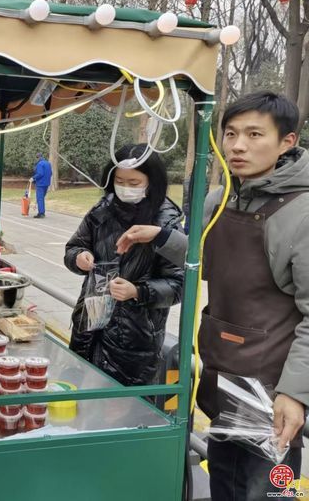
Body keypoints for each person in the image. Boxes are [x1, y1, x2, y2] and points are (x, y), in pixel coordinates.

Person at [114, 92, 309, 500]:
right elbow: (206, 256)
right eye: (232, 133)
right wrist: (163, 237)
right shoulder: (220, 199)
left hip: (271, 387)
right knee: (223, 476)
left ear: (287, 141)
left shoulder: (301, 212)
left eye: (255, 134)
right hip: (223, 373)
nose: (238, 145)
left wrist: (294, 393)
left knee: (270, 489)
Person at [64, 144, 184, 387]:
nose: (125, 188)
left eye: (134, 182)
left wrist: (138, 291)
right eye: (120, 180)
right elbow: (73, 247)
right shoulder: (102, 211)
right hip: (88, 329)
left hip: (133, 342)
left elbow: (179, 285)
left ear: (152, 182)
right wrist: (79, 257)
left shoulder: (165, 224)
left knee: (120, 411)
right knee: (80, 404)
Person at [31, 153, 52, 218]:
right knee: (41, 198)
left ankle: (41, 213)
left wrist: (33, 178)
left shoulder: (39, 164)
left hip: (40, 184)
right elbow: (51, 173)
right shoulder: (48, 163)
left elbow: (40, 173)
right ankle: (42, 211)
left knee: (40, 198)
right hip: (47, 183)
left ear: (37, 158)